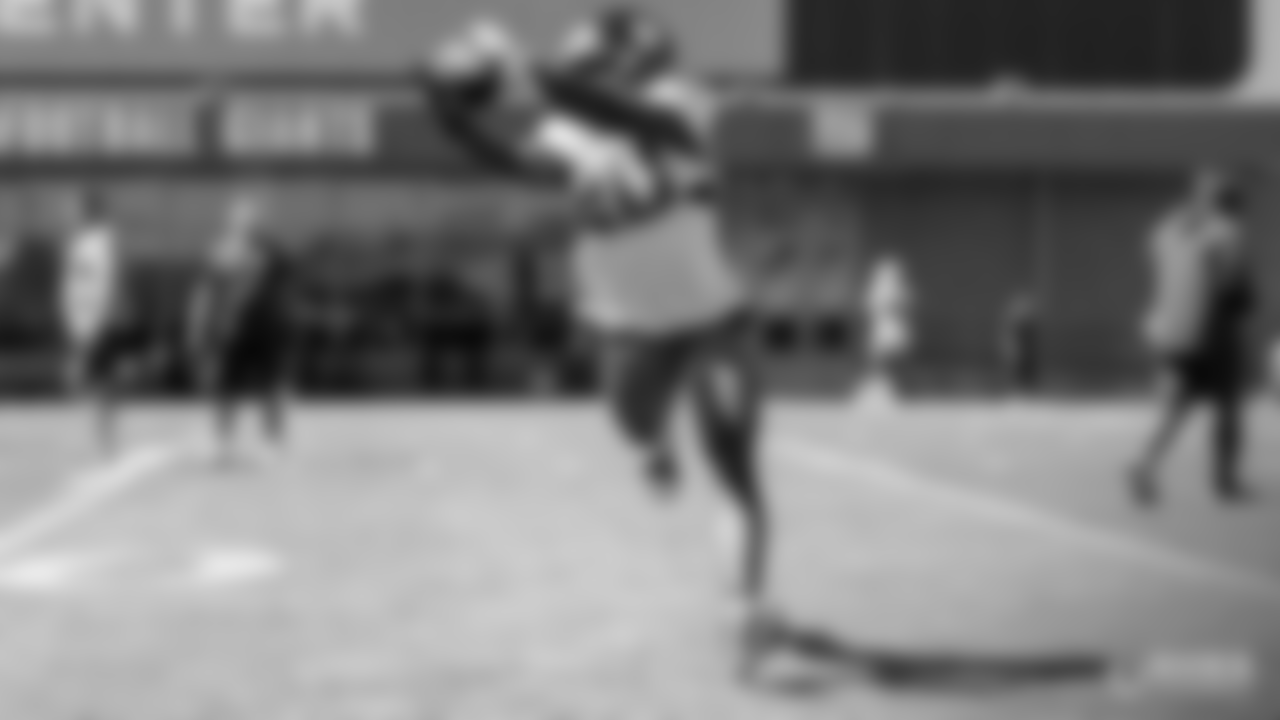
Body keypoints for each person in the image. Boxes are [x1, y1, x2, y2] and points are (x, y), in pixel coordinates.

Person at [424, 9, 778, 652]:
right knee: (633, 428)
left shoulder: (680, 101)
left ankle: (744, 609)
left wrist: (537, 75)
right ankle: (654, 445)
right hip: (629, 329)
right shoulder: (565, 132)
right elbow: (513, 163)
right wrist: (452, 122)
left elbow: (638, 122)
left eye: (595, 60)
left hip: (713, 321)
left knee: (733, 468)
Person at [1130, 169, 1259, 506]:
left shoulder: (1168, 230)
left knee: (1180, 406)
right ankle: (1226, 480)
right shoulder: (1226, 233)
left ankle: (1145, 464)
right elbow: (1230, 286)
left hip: (1172, 332)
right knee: (1229, 407)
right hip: (1212, 333)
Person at [187, 192, 294, 465]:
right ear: (231, 220)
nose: (244, 222)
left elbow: (282, 286)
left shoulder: (272, 250)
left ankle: (274, 441)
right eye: (238, 217)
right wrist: (199, 327)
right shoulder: (219, 250)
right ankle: (224, 442)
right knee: (226, 388)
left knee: (270, 387)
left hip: (265, 330)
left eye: (249, 217)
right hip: (231, 330)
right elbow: (206, 291)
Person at [57, 190, 131, 455]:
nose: (72, 214)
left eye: (76, 209)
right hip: (82, 322)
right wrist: (72, 318)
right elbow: (72, 284)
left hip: (99, 322)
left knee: (99, 380)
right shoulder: (78, 242)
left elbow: (106, 282)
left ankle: (106, 438)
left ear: (89, 211)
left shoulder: (103, 241)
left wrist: (97, 321)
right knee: (95, 380)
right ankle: (103, 435)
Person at [857, 255, 912, 408]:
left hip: (890, 329)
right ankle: (879, 391)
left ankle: (888, 391)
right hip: (883, 329)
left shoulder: (897, 288)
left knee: (888, 362)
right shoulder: (880, 288)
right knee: (881, 362)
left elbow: (904, 305)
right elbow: (872, 307)